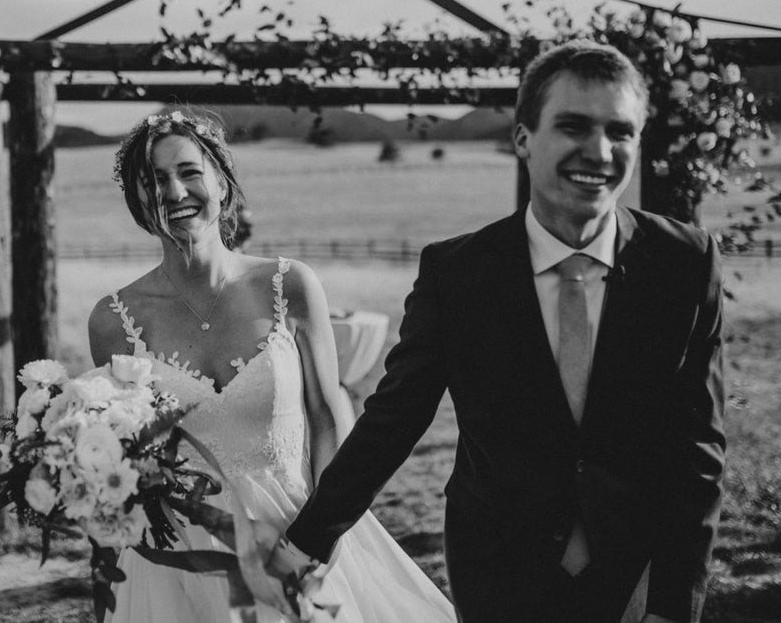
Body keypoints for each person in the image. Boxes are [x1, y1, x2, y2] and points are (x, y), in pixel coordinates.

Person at [278, 41, 726, 623]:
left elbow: (699, 445)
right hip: (499, 571)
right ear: (522, 139)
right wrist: (305, 541)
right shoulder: (458, 273)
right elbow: (394, 419)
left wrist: (674, 605)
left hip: (636, 565)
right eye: (573, 126)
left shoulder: (684, 263)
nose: (600, 150)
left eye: (621, 131)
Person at [87, 109, 455, 622]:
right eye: (153, 180)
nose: (174, 192)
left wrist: (320, 543)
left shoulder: (290, 285)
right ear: (138, 202)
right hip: (180, 565)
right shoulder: (112, 320)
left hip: (296, 534)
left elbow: (329, 413)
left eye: (189, 171)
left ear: (221, 180)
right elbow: (123, 454)